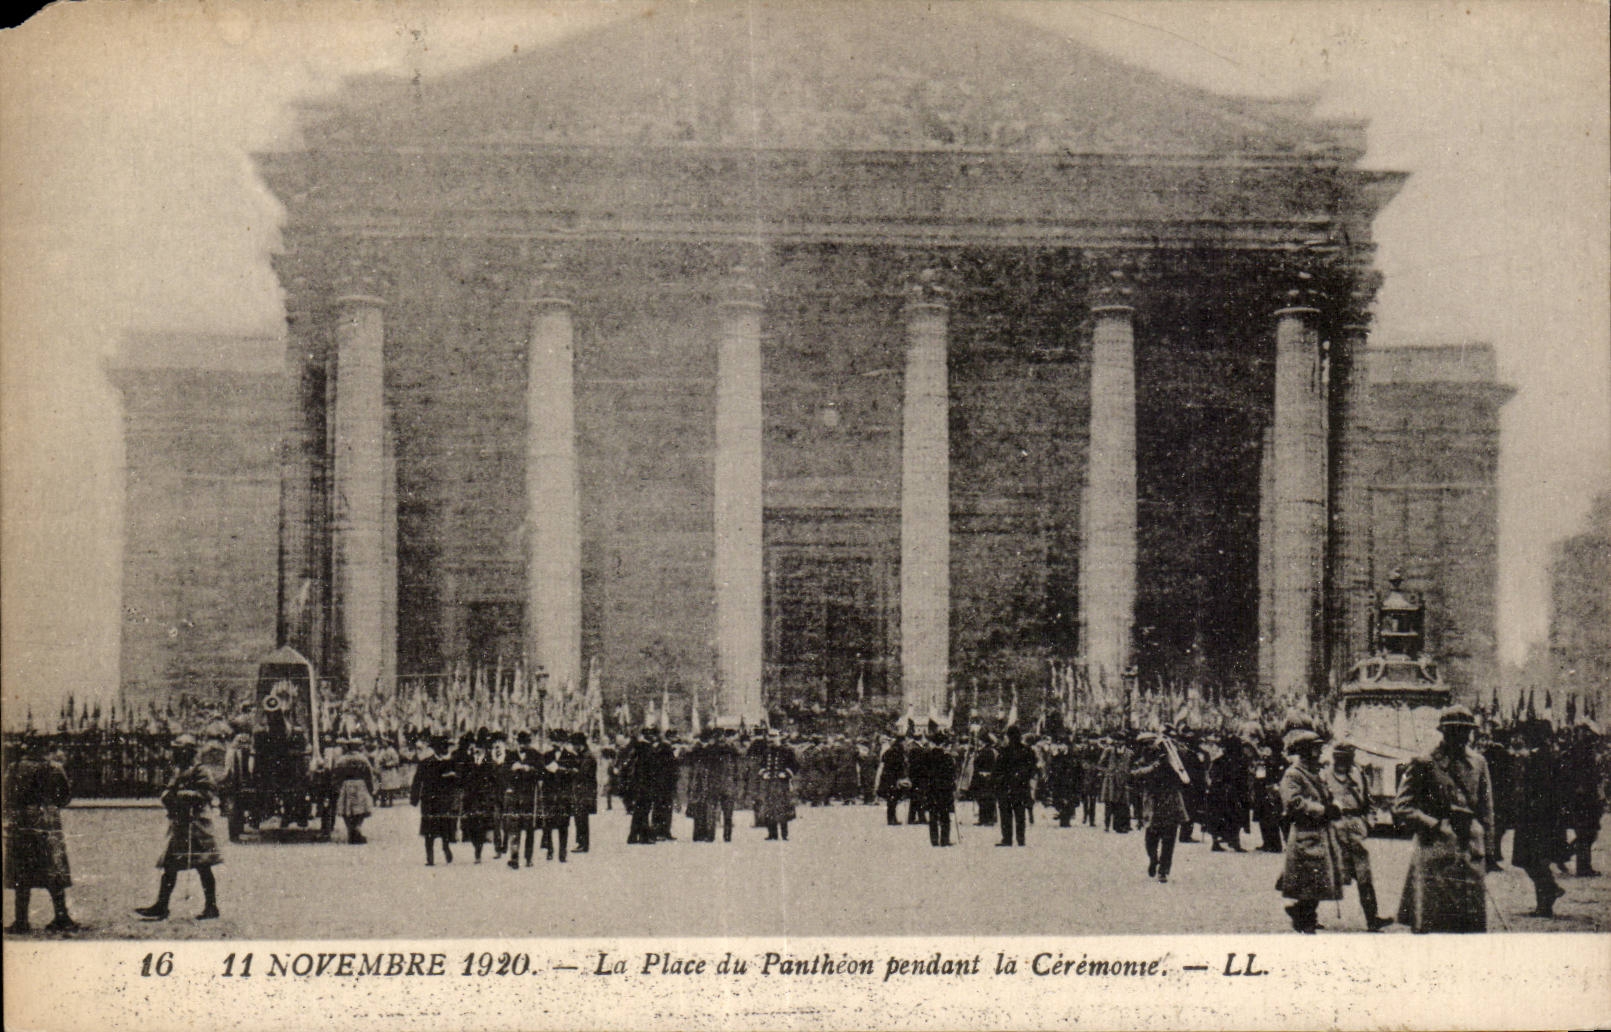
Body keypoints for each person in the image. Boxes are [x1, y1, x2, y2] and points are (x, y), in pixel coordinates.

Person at [1393, 705, 1494, 933]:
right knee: (1434, 923)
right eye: (1455, 731)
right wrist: (1435, 824)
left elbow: (1486, 811)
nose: (1461, 737)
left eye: (1465, 731)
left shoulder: (1478, 763)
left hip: (1469, 851)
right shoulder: (1424, 762)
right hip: (1435, 850)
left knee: (1469, 926)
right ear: (1444, 732)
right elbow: (1402, 807)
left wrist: (1488, 850)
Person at [136, 735, 223, 921]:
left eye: (179, 751)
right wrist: (168, 796)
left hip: (197, 824)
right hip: (180, 824)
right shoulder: (178, 770)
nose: (175, 754)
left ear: (189, 753)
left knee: (203, 865)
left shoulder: (201, 770)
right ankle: (161, 906)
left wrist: (184, 795)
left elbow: (207, 793)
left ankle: (211, 906)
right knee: (170, 865)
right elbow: (169, 790)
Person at [4, 736, 77, 932]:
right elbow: (66, 795)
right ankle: (61, 917)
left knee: (21, 870)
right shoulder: (54, 768)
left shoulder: (15, 767)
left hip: (21, 821)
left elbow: (6, 794)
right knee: (53, 868)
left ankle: (21, 921)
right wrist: (51, 806)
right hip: (47, 820)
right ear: (45, 749)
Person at [1276, 729, 1343, 933]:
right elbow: (1294, 803)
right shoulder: (1293, 774)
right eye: (1315, 748)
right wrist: (1322, 810)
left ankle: (1304, 915)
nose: (1319, 752)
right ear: (1305, 751)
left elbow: (1326, 795)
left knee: (1317, 879)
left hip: (1320, 832)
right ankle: (1303, 918)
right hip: (1305, 832)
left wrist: (1334, 806)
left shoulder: (1315, 772)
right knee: (1308, 880)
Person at [1327, 741, 1393, 931]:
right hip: (1335, 827)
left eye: (1348, 757)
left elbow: (1368, 800)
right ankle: (1305, 913)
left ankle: (1372, 919)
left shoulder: (1358, 773)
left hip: (1356, 828)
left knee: (1364, 875)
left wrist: (1368, 821)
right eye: (1340, 757)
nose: (1344, 761)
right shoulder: (1325, 776)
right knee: (1328, 872)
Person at [1511, 720, 1569, 916]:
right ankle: (1546, 899)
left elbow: (1540, 790)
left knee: (1533, 860)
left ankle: (1547, 899)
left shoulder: (1540, 757)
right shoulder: (1547, 755)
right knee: (1536, 860)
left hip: (1536, 819)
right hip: (1543, 818)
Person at [1132, 731, 1190, 883]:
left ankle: (1163, 870)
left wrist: (1172, 745)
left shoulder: (1171, 756)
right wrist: (1153, 767)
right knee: (1151, 837)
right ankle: (1153, 859)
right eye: (1147, 744)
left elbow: (1184, 765)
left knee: (1169, 838)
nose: (1151, 746)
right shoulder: (1142, 758)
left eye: (1153, 743)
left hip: (1170, 800)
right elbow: (1134, 774)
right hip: (1153, 801)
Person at [410, 735, 458, 866]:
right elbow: (417, 780)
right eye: (442, 747)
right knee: (429, 830)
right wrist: (414, 798)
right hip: (429, 800)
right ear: (435, 749)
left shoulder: (451, 763)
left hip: (444, 800)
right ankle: (430, 857)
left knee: (445, 827)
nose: (444, 749)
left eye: (446, 747)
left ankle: (446, 847)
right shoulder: (426, 763)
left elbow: (458, 781)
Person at [1563, 721, 1603, 877]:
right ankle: (1581, 866)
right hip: (1583, 798)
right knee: (1586, 832)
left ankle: (1568, 856)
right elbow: (1578, 774)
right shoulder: (1580, 750)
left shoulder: (1585, 749)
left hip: (1588, 797)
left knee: (1588, 833)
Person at [994, 725, 1036, 847]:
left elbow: (997, 770)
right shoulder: (1027, 751)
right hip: (1021, 787)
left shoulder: (1004, 751)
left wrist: (999, 782)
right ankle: (1021, 839)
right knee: (1020, 814)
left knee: (1006, 814)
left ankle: (1007, 839)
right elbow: (1032, 768)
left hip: (1006, 787)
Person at [755, 729, 798, 841]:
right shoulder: (766, 752)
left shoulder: (787, 751)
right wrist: (764, 773)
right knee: (769, 809)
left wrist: (786, 773)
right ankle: (772, 834)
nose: (772, 739)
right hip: (769, 784)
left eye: (774, 736)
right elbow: (761, 765)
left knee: (782, 809)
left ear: (779, 737)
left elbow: (795, 765)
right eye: (770, 736)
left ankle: (784, 834)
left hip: (781, 784)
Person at [331, 737, 376, 844]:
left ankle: (350, 830)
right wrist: (371, 788)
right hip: (360, 784)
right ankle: (357, 828)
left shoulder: (342, 759)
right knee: (360, 809)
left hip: (347, 784)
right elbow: (369, 773)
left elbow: (336, 774)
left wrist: (337, 786)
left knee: (347, 809)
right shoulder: (363, 759)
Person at [504, 732, 539, 866]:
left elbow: (541, 772)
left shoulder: (535, 755)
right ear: (517, 743)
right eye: (521, 743)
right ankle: (514, 856)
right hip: (514, 796)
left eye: (526, 743)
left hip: (529, 796)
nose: (523, 746)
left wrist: (529, 768)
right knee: (514, 827)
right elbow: (503, 773)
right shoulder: (511, 755)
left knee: (529, 827)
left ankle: (528, 858)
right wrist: (512, 769)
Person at [922, 732, 958, 847]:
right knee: (945, 815)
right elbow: (952, 774)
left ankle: (934, 840)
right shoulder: (947, 757)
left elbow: (923, 773)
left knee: (933, 815)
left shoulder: (927, 756)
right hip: (944, 790)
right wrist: (952, 787)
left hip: (931, 789)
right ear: (943, 744)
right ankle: (944, 839)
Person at [570, 732, 598, 853]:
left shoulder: (588, 757)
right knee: (579, 817)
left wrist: (572, 771)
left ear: (579, 745)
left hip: (585, 792)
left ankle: (583, 844)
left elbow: (583, 774)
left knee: (582, 817)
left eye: (574, 745)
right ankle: (581, 843)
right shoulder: (584, 755)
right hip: (581, 791)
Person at [876, 735, 908, 826]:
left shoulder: (889, 751)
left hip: (887, 777)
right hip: (893, 778)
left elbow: (883, 759)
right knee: (893, 799)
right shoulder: (898, 752)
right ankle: (892, 819)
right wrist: (901, 777)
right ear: (901, 742)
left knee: (891, 799)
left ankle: (892, 818)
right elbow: (898, 766)